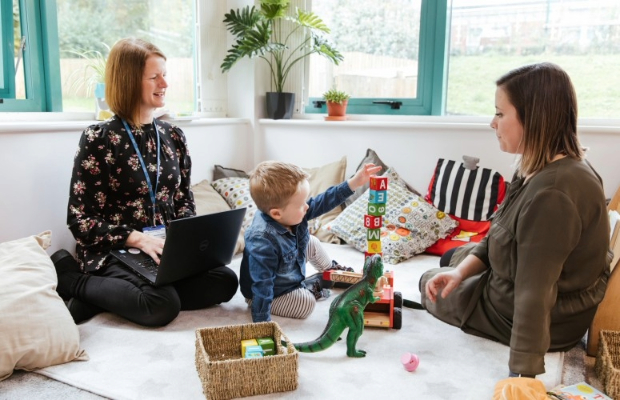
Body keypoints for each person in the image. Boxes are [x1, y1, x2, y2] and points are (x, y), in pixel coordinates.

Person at [420, 62, 610, 378]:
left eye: (500, 113)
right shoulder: (539, 166)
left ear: (532, 120)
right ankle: (459, 268)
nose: (492, 123)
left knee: (427, 281)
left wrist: (523, 375)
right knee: (452, 258)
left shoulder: (553, 195)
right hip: (512, 274)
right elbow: (501, 233)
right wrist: (460, 272)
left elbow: (534, 293)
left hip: (540, 316)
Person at [51, 38, 238, 326]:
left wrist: (184, 243)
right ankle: (72, 279)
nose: (165, 83)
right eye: (154, 77)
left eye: (165, 74)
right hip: (118, 249)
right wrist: (137, 238)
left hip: (165, 250)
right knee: (161, 304)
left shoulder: (173, 135)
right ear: (128, 82)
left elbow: (183, 198)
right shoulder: (99, 139)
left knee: (224, 282)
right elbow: (81, 221)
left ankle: (115, 297)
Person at [240, 160, 381, 323]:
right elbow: (262, 284)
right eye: (301, 205)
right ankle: (310, 287)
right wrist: (261, 322)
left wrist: (354, 182)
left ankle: (329, 272)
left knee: (312, 242)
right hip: (273, 292)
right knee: (306, 304)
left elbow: (324, 200)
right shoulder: (261, 240)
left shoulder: (292, 212)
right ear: (276, 214)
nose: (307, 207)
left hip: (289, 269)